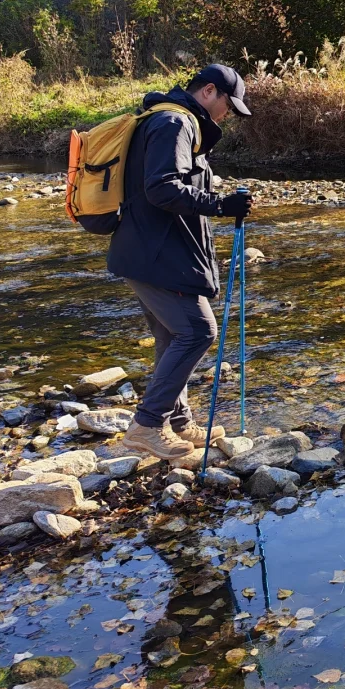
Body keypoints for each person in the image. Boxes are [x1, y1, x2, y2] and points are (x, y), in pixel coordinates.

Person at [112, 63, 254, 460]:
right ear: (209, 91)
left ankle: (178, 422)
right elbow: (161, 188)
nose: (227, 114)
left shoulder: (168, 118)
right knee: (197, 330)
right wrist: (221, 205)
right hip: (156, 253)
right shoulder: (176, 122)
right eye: (228, 104)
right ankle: (146, 425)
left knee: (172, 336)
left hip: (149, 251)